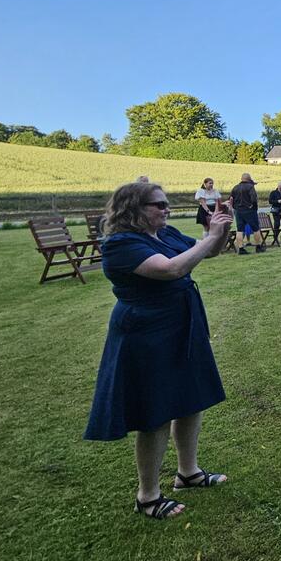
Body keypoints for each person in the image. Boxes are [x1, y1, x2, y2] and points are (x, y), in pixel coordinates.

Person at [84, 180, 233, 520]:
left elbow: (209, 251)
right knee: (156, 413)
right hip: (145, 332)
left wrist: (219, 229)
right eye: (158, 205)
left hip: (181, 324)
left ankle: (188, 473)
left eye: (166, 204)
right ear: (133, 209)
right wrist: (211, 236)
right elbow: (171, 269)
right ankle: (148, 495)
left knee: (190, 400)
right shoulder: (121, 244)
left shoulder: (166, 234)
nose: (166, 210)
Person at [231, 172, 265, 254]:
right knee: (256, 228)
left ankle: (241, 249)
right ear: (249, 179)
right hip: (249, 211)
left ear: (241, 179)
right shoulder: (250, 187)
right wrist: (253, 207)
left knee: (239, 230)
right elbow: (253, 199)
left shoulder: (235, 187)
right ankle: (258, 247)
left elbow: (231, 199)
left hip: (238, 211)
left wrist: (235, 207)